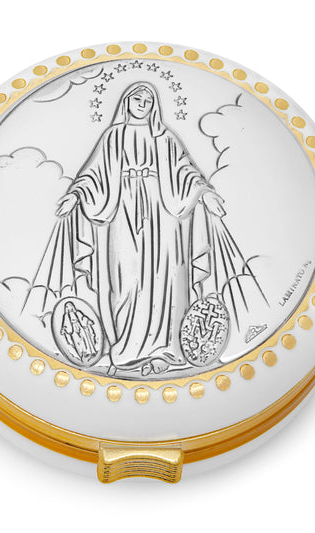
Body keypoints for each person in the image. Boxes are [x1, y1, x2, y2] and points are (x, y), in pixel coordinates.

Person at [50, 82, 226, 375]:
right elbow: (92, 173)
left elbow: (187, 171)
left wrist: (205, 193)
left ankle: (165, 350)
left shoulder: (166, 137)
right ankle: (128, 349)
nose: (142, 104)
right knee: (126, 279)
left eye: (148, 99)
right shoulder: (113, 136)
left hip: (164, 213)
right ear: (126, 101)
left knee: (167, 276)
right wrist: (75, 195)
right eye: (137, 98)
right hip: (122, 210)